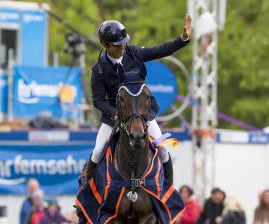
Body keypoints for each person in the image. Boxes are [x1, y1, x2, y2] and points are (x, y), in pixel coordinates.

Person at [80, 15, 192, 188]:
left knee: (163, 150)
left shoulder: (133, 53)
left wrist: (182, 39)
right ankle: (87, 193)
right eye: (118, 45)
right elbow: (98, 100)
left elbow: (160, 50)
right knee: (97, 152)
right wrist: (113, 113)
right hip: (114, 117)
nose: (123, 47)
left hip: (142, 115)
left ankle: (168, 192)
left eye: (124, 42)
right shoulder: (99, 69)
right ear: (105, 45)